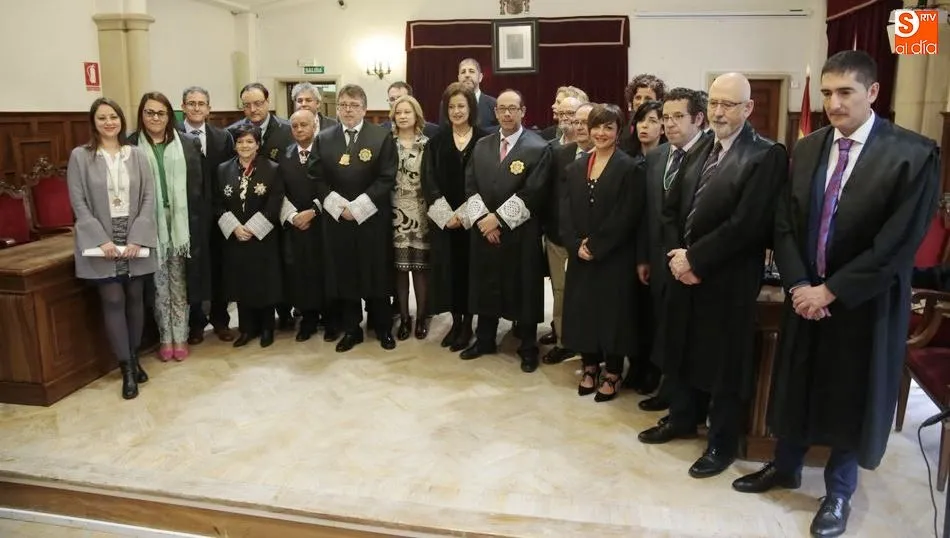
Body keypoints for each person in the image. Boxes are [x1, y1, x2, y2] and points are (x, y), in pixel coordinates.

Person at [732, 50, 941, 538]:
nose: (833, 103)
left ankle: (839, 491)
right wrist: (801, 284)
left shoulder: (913, 153)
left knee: (851, 396)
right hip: (806, 294)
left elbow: (898, 243)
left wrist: (832, 291)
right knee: (796, 383)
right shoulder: (808, 148)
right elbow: (784, 221)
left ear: (873, 92)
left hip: (863, 302)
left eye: (845, 92)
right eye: (826, 93)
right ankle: (785, 465)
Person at [638, 73, 787, 482]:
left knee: (723, 365)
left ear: (748, 108)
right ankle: (682, 418)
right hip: (685, 272)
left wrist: (696, 261)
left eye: (730, 104)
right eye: (716, 103)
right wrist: (676, 257)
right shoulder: (702, 145)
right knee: (684, 350)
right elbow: (671, 208)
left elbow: (748, 224)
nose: (720, 112)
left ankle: (721, 443)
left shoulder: (765, 154)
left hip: (727, 280)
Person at [67, 97, 157, 400]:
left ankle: (134, 357)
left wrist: (137, 237)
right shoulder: (81, 156)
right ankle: (127, 370)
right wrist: (100, 239)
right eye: (102, 118)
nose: (109, 123)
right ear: (94, 122)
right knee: (113, 299)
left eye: (114, 117)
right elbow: (78, 202)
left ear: (121, 120)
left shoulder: (137, 155)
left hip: (133, 234)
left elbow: (148, 198)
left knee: (135, 298)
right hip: (101, 237)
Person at [459, 89, 551, 373]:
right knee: (485, 284)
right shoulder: (482, 145)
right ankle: (484, 338)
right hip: (484, 232)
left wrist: (497, 220)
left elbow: (534, 192)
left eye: (513, 108)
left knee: (522, 288)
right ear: (495, 112)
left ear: (524, 111)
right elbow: (470, 186)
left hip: (519, 233)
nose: (507, 114)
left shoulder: (538, 147)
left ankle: (526, 346)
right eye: (502, 109)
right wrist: (484, 222)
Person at [561, 104, 645, 400]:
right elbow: (565, 212)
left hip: (614, 257)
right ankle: (589, 366)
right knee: (583, 312)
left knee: (613, 314)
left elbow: (627, 215)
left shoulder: (630, 168)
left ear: (618, 131)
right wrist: (575, 244)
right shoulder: (574, 168)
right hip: (581, 257)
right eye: (596, 126)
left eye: (608, 127)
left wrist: (596, 246)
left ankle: (612, 371)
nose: (600, 132)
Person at [636, 88, 709, 414]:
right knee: (660, 324)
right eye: (665, 117)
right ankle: (665, 385)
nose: (669, 124)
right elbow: (646, 213)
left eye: (677, 117)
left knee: (685, 332)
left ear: (698, 118)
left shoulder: (710, 157)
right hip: (656, 255)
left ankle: (681, 397)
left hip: (692, 262)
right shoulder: (656, 157)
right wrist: (643, 256)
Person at [313, 84, 398, 352]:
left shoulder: (381, 137)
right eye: (343, 105)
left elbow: (387, 176)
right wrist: (340, 207)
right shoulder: (324, 138)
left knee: (377, 273)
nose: (348, 110)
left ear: (364, 108)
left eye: (354, 105)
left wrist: (359, 207)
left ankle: (383, 327)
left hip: (372, 219)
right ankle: (352, 330)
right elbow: (316, 177)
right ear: (337, 108)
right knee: (345, 274)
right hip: (338, 221)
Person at [128, 91, 208, 362]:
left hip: (181, 224)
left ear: (170, 116)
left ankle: (181, 335)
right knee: (159, 284)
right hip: (148, 223)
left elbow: (198, 187)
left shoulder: (186, 144)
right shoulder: (131, 146)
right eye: (149, 112)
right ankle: (165, 337)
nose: (155, 118)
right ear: (142, 115)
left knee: (179, 282)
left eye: (161, 113)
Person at [422, 82, 487, 352]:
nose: (457, 111)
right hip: (445, 223)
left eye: (462, 106)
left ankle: (469, 324)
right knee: (449, 273)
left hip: (473, 221)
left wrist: (466, 215)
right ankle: (456, 322)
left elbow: (488, 182)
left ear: (471, 108)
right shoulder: (436, 141)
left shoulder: (485, 139)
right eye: (452, 107)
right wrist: (446, 215)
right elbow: (428, 180)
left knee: (471, 273)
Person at [215, 124, 284, 348]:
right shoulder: (223, 169)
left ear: (257, 144)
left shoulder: (272, 168)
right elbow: (217, 203)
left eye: (249, 142)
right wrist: (235, 228)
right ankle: (246, 329)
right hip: (235, 238)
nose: (245, 146)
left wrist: (253, 229)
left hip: (263, 237)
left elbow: (275, 202)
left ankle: (266, 328)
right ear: (234, 145)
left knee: (264, 282)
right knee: (241, 284)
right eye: (240, 142)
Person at [179, 86, 235, 344]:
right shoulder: (174, 136)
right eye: (191, 103)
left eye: (202, 103)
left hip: (218, 213)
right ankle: (195, 323)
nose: (197, 108)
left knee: (220, 267)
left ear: (209, 108)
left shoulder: (222, 138)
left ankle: (221, 319)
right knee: (193, 269)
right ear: (183, 107)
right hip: (187, 215)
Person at [540, 101, 594, 365]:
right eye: (575, 122)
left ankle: (593, 346)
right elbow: (550, 196)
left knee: (589, 295)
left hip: (593, 244)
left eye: (585, 122)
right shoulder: (560, 153)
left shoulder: (612, 156)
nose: (579, 127)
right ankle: (564, 341)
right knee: (560, 292)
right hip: (559, 238)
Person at [278, 109, 326, 342]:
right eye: (295, 126)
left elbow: (333, 185)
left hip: (323, 222)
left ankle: (330, 318)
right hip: (296, 225)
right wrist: (294, 215)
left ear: (314, 125)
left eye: (304, 125)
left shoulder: (326, 150)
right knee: (302, 272)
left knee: (323, 270)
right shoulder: (284, 156)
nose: (299, 129)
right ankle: (308, 319)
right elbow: (279, 191)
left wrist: (314, 210)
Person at [390, 95, 431, 340]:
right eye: (398, 112)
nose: (403, 116)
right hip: (395, 214)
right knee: (400, 269)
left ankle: (422, 317)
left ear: (416, 115)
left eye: (408, 112)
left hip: (422, 212)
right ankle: (404, 318)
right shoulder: (387, 143)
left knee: (420, 269)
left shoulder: (427, 144)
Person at [439, 58, 498, 128]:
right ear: (458, 78)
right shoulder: (447, 103)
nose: (467, 75)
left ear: (480, 77)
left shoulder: (493, 104)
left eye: (471, 71)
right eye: (463, 72)